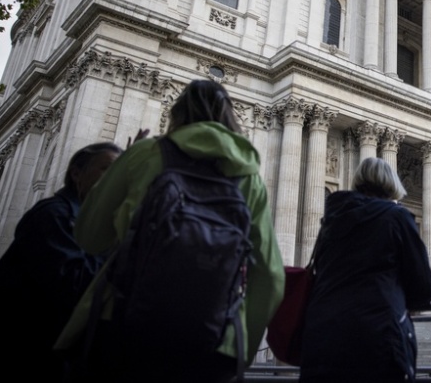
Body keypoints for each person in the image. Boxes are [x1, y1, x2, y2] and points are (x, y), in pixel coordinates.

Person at [56, 79, 285, 382]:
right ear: (231, 118)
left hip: (126, 321)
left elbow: (89, 236)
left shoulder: (145, 153)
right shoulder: (250, 177)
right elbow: (270, 276)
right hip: (213, 337)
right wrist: (238, 347)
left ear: (175, 114)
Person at [300, 157, 431, 383]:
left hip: (322, 338)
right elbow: (423, 289)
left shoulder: (331, 222)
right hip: (377, 339)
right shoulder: (397, 217)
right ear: (391, 184)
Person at [0, 142, 122, 380]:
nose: (113, 179)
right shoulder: (54, 215)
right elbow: (77, 284)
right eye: (107, 169)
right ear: (77, 173)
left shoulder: (85, 221)